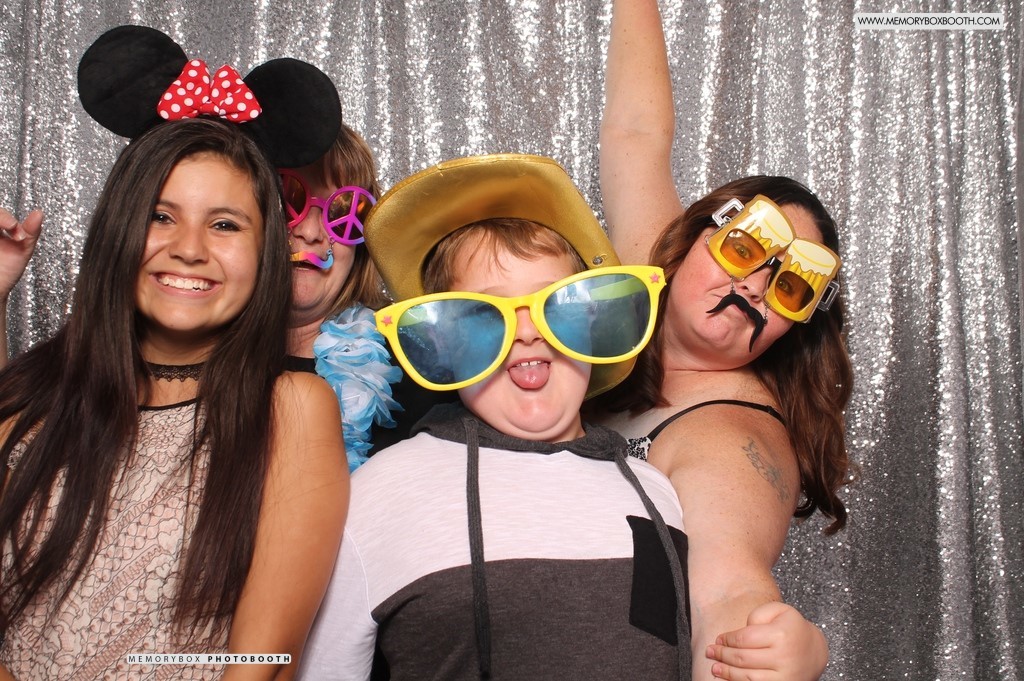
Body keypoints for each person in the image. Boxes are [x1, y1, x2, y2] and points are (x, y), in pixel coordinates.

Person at [0, 27, 348, 679]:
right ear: (118, 229)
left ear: (266, 250)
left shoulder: (292, 410)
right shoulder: (36, 393)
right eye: (161, 216)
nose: (189, 248)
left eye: (225, 224)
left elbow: (265, 662)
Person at [296, 153, 691, 679]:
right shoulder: (377, 496)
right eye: (484, 316)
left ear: (592, 323)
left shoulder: (655, 490)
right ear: (443, 341)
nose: (527, 332)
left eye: (556, 305)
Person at [599, 1, 853, 679]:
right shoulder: (653, 274)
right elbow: (635, 133)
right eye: (745, 249)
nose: (754, 287)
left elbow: (728, 585)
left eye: (789, 286)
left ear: (794, 327)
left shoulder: (734, 436)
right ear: (694, 239)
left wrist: (766, 641)